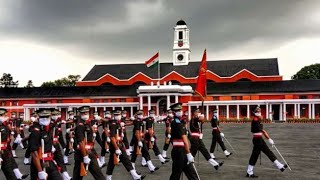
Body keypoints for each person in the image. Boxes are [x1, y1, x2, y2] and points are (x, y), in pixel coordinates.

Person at [246, 106, 287, 178]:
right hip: (258, 140)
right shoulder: (255, 120)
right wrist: (269, 139)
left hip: (258, 139)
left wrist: (269, 139)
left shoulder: (256, 120)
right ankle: (280, 166)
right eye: (257, 111)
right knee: (266, 153)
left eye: (259, 111)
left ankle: (249, 172)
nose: (259, 112)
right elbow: (263, 131)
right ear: (254, 112)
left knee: (256, 155)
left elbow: (261, 131)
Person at [106, 110, 145, 180]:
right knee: (112, 163)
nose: (118, 116)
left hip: (120, 145)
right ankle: (108, 178)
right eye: (116, 115)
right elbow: (112, 137)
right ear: (114, 115)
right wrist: (117, 148)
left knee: (126, 160)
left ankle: (135, 176)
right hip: (115, 146)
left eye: (119, 114)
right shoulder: (113, 124)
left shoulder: (118, 123)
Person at [72, 106, 105, 180]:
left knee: (98, 174)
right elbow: (81, 142)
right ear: (80, 114)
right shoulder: (80, 125)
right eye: (83, 113)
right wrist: (85, 157)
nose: (85, 114)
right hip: (83, 153)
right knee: (78, 177)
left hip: (89, 151)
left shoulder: (86, 123)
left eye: (86, 112)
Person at [29, 108, 63, 180]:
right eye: (42, 117)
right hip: (40, 163)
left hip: (50, 161)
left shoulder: (48, 129)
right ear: (38, 117)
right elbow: (34, 154)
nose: (45, 119)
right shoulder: (36, 132)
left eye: (47, 117)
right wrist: (40, 171)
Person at [169, 103, 199, 180]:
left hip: (179, 150)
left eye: (180, 110)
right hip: (180, 151)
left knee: (190, 172)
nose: (180, 111)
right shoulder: (178, 123)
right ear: (174, 112)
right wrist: (189, 153)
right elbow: (185, 140)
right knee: (176, 174)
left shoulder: (175, 122)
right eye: (178, 110)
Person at [0, 108, 29, 180]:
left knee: (11, 163)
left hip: (6, 148)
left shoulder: (4, 124)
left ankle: (18, 174)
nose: (5, 116)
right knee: (7, 168)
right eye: (3, 115)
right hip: (1, 150)